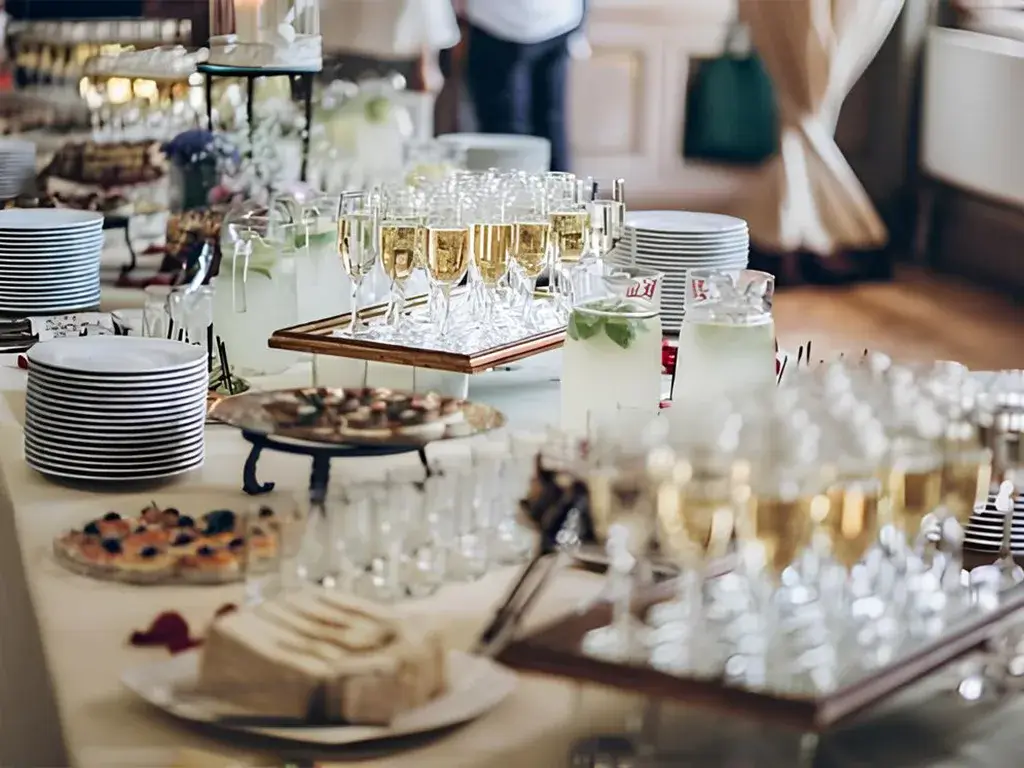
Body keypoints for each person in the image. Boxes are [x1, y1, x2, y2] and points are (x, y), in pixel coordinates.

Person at [462, 0, 585, 172]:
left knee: (508, 134)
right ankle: (558, 194)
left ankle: (523, 195)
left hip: (502, 22)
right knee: (548, 123)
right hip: (553, 19)